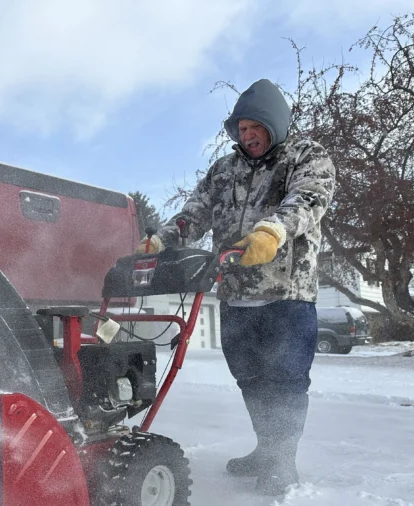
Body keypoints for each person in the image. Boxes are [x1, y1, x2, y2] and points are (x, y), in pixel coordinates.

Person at [137, 79, 336, 495]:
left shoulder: (306, 156)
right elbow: (195, 212)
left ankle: (282, 459)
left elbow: (308, 199)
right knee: (250, 378)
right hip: (234, 294)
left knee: (284, 381)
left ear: (274, 124)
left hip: (286, 295)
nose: (248, 137)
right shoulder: (225, 170)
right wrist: (162, 239)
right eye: (241, 130)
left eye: (255, 128)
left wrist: (271, 232)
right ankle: (267, 448)